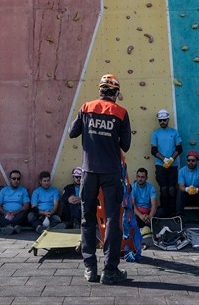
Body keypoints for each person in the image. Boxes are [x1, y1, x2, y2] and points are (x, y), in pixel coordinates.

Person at [68, 73, 133, 286]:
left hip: (88, 172)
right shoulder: (121, 113)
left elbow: (72, 133)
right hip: (111, 173)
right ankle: (110, 270)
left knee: (87, 219)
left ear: (100, 91)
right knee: (113, 219)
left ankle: (90, 269)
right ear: (115, 93)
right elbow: (125, 145)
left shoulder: (86, 107)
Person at [149, 109, 182, 217]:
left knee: (172, 189)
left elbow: (179, 148)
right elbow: (153, 150)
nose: (162, 122)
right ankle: (164, 213)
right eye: (160, 120)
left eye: (164, 120)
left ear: (168, 120)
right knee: (163, 189)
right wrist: (164, 159)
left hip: (173, 165)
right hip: (160, 165)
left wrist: (171, 159)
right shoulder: (155, 133)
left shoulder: (174, 132)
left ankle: (173, 213)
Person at [177, 149, 199, 215]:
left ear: (197, 161)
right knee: (180, 192)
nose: (190, 162)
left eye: (193, 160)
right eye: (189, 160)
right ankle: (179, 217)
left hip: (197, 195)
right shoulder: (182, 171)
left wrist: (196, 189)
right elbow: (181, 186)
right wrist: (187, 189)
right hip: (186, 196)